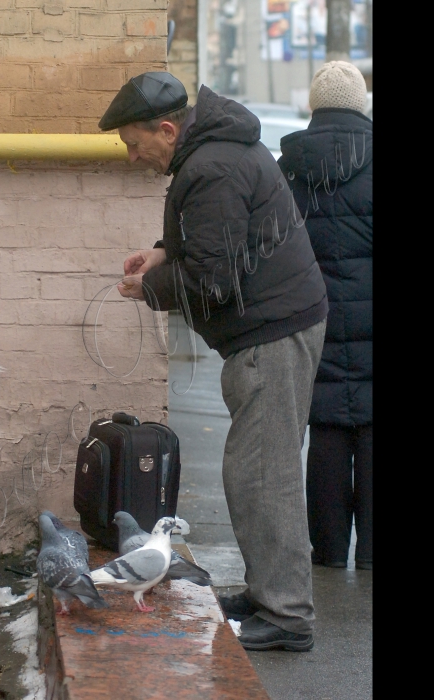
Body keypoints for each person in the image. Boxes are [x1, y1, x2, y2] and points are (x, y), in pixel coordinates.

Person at [99, 72, 328, 651]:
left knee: (261, 476)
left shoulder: (210, 168)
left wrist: (150, 288)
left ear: (168, 129)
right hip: (278, 324)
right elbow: (219, 241)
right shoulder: (215, 153)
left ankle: (287, 615)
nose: (132, 157)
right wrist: (162, 252)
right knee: (258, 472)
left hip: (272, 334)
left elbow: (213, 280)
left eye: (133, 143)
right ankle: (268, 593)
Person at [277, 61, 373, 570]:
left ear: (315, 106)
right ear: (361, 105)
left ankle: (330, 553)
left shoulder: (289, 166)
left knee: (328, 435)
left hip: (312, 321)